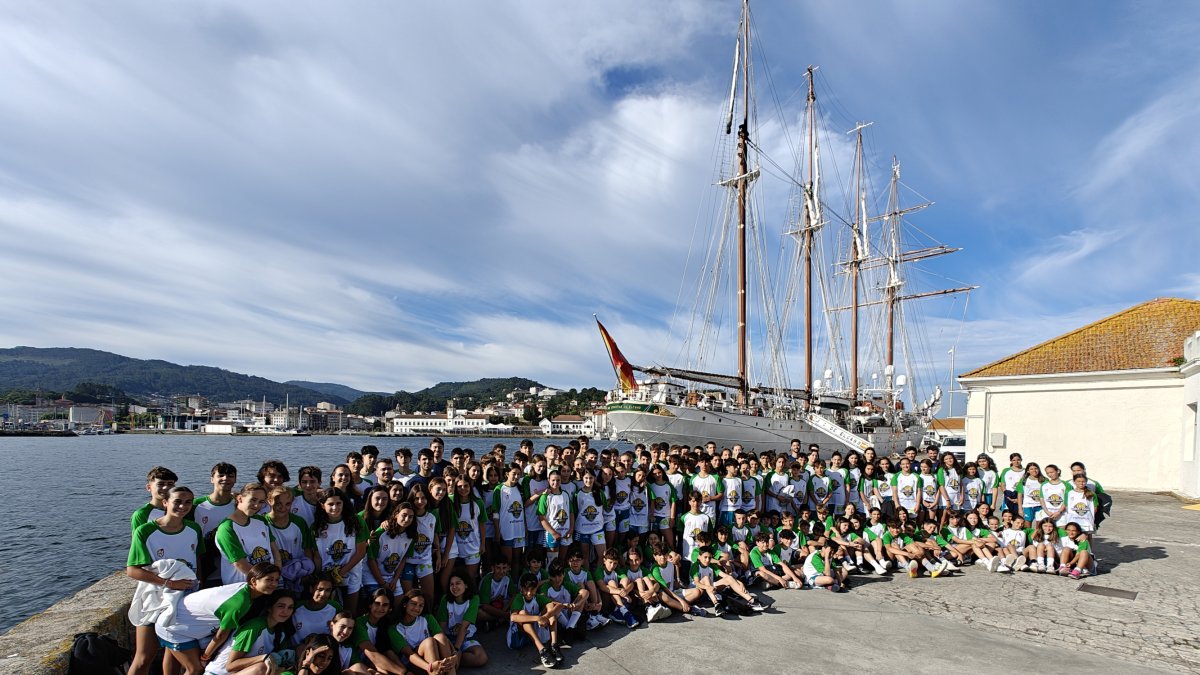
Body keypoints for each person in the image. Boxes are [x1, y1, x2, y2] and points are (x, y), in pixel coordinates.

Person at [127, 485, 205, 675]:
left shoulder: (194, 529)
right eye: (177, 501)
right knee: (145, 656)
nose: (183, 506)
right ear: (165, 503)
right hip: (154, 599)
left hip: (184, 600)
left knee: (174, 654)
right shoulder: (146, 531)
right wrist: (169, 584)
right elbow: (132, 570)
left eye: (188, 502)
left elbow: (198, 561)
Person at [155, 563, 281, 675]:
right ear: (254, 581)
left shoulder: (244, 590)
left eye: (276, 580)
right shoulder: (239, 603)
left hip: (180, 624)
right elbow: (221, 635)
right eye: (269, 580)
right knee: (195, 669)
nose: (274, 584)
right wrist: (205, 657)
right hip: (175, 629)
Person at [204, 590, 295, 675]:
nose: (285, 611)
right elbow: (230, 666)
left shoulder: (280, 632)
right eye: (281, 606)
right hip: (217, 673)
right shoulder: (254, 627)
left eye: (290, 607)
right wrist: (263, 657)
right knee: (262, 667)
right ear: (270, 608)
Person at [311, 487, 367, 616]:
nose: (335, 507)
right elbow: (317, 556)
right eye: (330, 504)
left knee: (349, 613)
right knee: (328, 612)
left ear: (344, 503)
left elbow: (360, 552)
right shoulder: (316, 527)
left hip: (351, 572)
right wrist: (324, 577)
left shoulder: (356, 522)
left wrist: (341, 573)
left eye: (338, 503)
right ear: (322, 505)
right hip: (327, 576)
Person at [215, 483, 280, 585]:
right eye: (253, 500)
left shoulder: (261, 520)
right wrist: (264, 581)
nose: (257, 505)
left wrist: (276, 576)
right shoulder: (227, 528)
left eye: (261, 502)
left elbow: (274, 550)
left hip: (269, 583)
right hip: (242, 586)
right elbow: (240, 564)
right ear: (240, 498)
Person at [385, 589, 458, 675]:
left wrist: (454, 655)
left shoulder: (427, 618)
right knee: (429, 642)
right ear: (405, 604)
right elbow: (409, 654)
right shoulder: (395, 628)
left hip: (435, 659)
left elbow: (444, 639)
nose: (417, 608)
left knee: (440, 637)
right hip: (415, 664)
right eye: (414, 604)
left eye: (421, 605)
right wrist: (430, 667)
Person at [192, 463, 238, 588]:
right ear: (212, 479)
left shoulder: (239, 503)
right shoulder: (196, 505)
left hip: (232, 565)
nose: (225, 478)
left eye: (230, 476)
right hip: (206, 565)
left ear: (235, 479)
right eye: (221, 475)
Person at [265, 486, 318, 594]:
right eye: (278, 503)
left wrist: (307, 573)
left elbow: (307, 549)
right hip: (274, 575)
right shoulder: (262, 523)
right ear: (269, 501)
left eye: (287, 504)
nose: (282, 507)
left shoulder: (299, 522)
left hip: (297, 574)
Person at [507, 573, 565, 668]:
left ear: (536, 588)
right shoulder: (518, 598)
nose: (529, 593)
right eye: (526, 589)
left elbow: (559, 605)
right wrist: (538, 618)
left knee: (550, 608)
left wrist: (546, 616)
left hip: (534, 634)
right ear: (521, 588)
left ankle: (554, 645)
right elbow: (513, 617)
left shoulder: (537, 597)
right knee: (522, 614)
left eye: (532, 589)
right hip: (517, 639)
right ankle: (542, 651)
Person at [435, 574, 489, 668]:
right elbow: (441, 627)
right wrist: (444, 646)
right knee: (452, 662)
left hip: (467, 636)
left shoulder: (473, 599)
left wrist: (456, 650)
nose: (454, 587)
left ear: (466, 585)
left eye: (458, 583)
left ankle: (455, 660)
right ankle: (453, 661)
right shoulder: (445, 599)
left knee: (481, 657)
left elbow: (464, 627)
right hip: (448, 637)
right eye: (451, 584)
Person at [366, 501, 414, 597]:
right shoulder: (381, 532)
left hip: (391, 578)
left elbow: (403, 559)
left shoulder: (411, 536)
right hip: (371, 576)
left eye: (411, 516)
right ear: (396, 514)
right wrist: (383, 583)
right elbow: (371, 560)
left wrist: (395, 579)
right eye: (404, 515)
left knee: (399, 600)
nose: (407, 519)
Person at [536, 471, 573, 565]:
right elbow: (541, 517)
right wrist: (553, 533)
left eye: (558, 480)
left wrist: (571, 529)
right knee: (552, 561)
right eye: (553, 480)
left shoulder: (565, 494)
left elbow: (571, 513)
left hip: (566, 532)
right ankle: (550, 579)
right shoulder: (545, 496)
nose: (555, 483)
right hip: (552, 533)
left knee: (562, 560)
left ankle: (560, 579)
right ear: (548, 480)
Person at [292, 573, 340, 644]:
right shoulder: (296, 607)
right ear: (311, 589)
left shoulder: (335, 607)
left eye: (328, 590)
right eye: (320, 589)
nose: (323, 594)